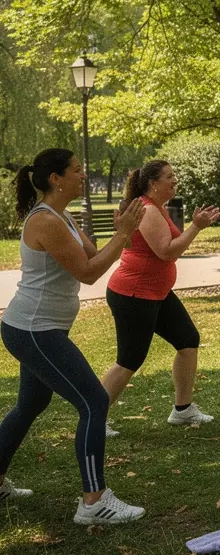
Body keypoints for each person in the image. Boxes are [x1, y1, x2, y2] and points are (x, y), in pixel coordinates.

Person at [0, 149, 147, 525]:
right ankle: (94, 501)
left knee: (30, 405)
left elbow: (93, 253)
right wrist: (125, 234)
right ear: (56, 179)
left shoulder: (62, 215)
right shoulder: (46, 221)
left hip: (36, 328)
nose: (85, 175)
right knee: (94, 401)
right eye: (78, 171)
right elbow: (89, 273)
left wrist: (115, 233)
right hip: (34, 329)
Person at [102, 161, 220, 435]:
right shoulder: (147, 209)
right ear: (153, 184)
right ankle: (93, 417)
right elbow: (166, 251)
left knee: (187, 339)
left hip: (156, 293)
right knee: (129, 359)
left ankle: (182, 409)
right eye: (169, 176)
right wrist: (196, 227)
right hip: (134, 294)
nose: (174, 180)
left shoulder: (155, 207)